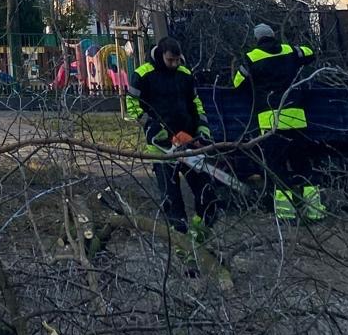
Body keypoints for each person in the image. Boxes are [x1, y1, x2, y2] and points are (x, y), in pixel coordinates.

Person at [126, 37, 220, 241]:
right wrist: (151, 127)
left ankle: (199, 234)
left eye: (177, 60)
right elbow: (132, 105)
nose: (175, 64)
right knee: (172, 200)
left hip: (189, 143)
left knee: (207, 193)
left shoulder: (185, 74)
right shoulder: (143, 75)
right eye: (171, 60)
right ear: (160, 55)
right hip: (162, 149)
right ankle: (181, 244)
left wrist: (202, 128)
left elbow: (196, 104)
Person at [232, 23, 325, 222]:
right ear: (274, 36)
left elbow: (237, 83)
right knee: (303, 166)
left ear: (256, 39)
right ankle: (315, 211)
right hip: (296, 119)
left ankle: (286, 214)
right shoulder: (290, 51)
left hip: (271, 123)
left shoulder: (251, 58)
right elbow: (310, 53)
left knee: (278, 168)